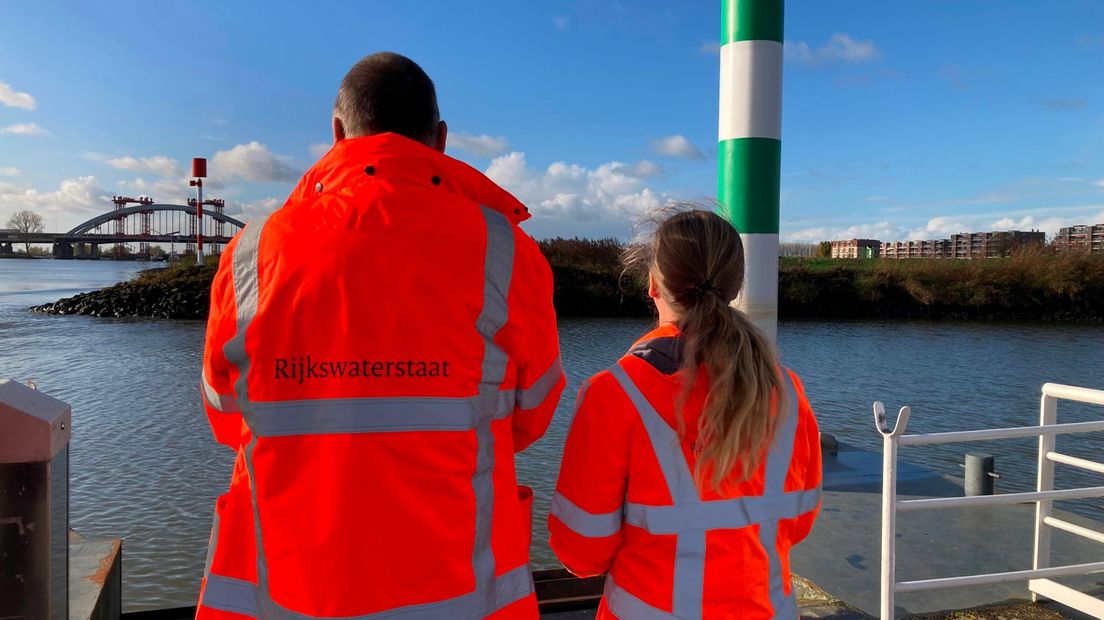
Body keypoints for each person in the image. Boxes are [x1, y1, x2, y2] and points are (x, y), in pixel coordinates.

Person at [197, 52, 564, 619]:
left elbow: (224, 408)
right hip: (459, 592)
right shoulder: (505, 250)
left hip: (290, 592)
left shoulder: (252, 250)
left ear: (337, 133)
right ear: (440, 138)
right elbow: (533, 410)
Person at [548, 208, 822, 619]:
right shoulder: (786, 390)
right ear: (734, 286)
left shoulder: (614, 395)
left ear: (652, 284)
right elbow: (798, 522)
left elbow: (581, 550)